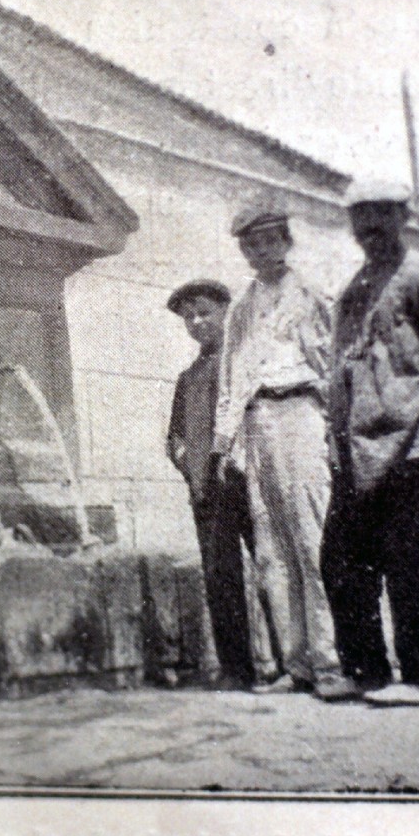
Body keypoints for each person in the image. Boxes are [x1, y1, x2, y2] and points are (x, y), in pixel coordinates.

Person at [320, 182, 419, 707]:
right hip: (356, 449)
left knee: (409, 560)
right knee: (342, 560)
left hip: (411, 444)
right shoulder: (354, 287)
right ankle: (365, 671)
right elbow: (343, 370)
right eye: (361, 216)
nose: (371, 227)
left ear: (403, 217)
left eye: (382, 215)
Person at [210, 209, 343, 699]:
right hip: (257, 421)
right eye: (251, 245)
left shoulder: (310, 295)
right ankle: (297, 664)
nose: (261, 252)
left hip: (301, 412)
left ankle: (332, 662)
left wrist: (335, 428)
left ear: (286, 242)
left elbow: (332, 363)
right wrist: (224, 443)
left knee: (313, 538)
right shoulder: (242, 308)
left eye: (269, 242)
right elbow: (231, 377)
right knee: (271, 548)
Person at [165, 279, 254, 690]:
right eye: (189, 316)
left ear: (226, 312)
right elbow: (175, 434)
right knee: (221, 577)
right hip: (206, 490)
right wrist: (185, 460)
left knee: (271, 567)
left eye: (205, 312)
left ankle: (291, 662)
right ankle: (237, 668)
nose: (198, 321)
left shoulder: (241, 363)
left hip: (245, 480)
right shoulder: (189, 377)